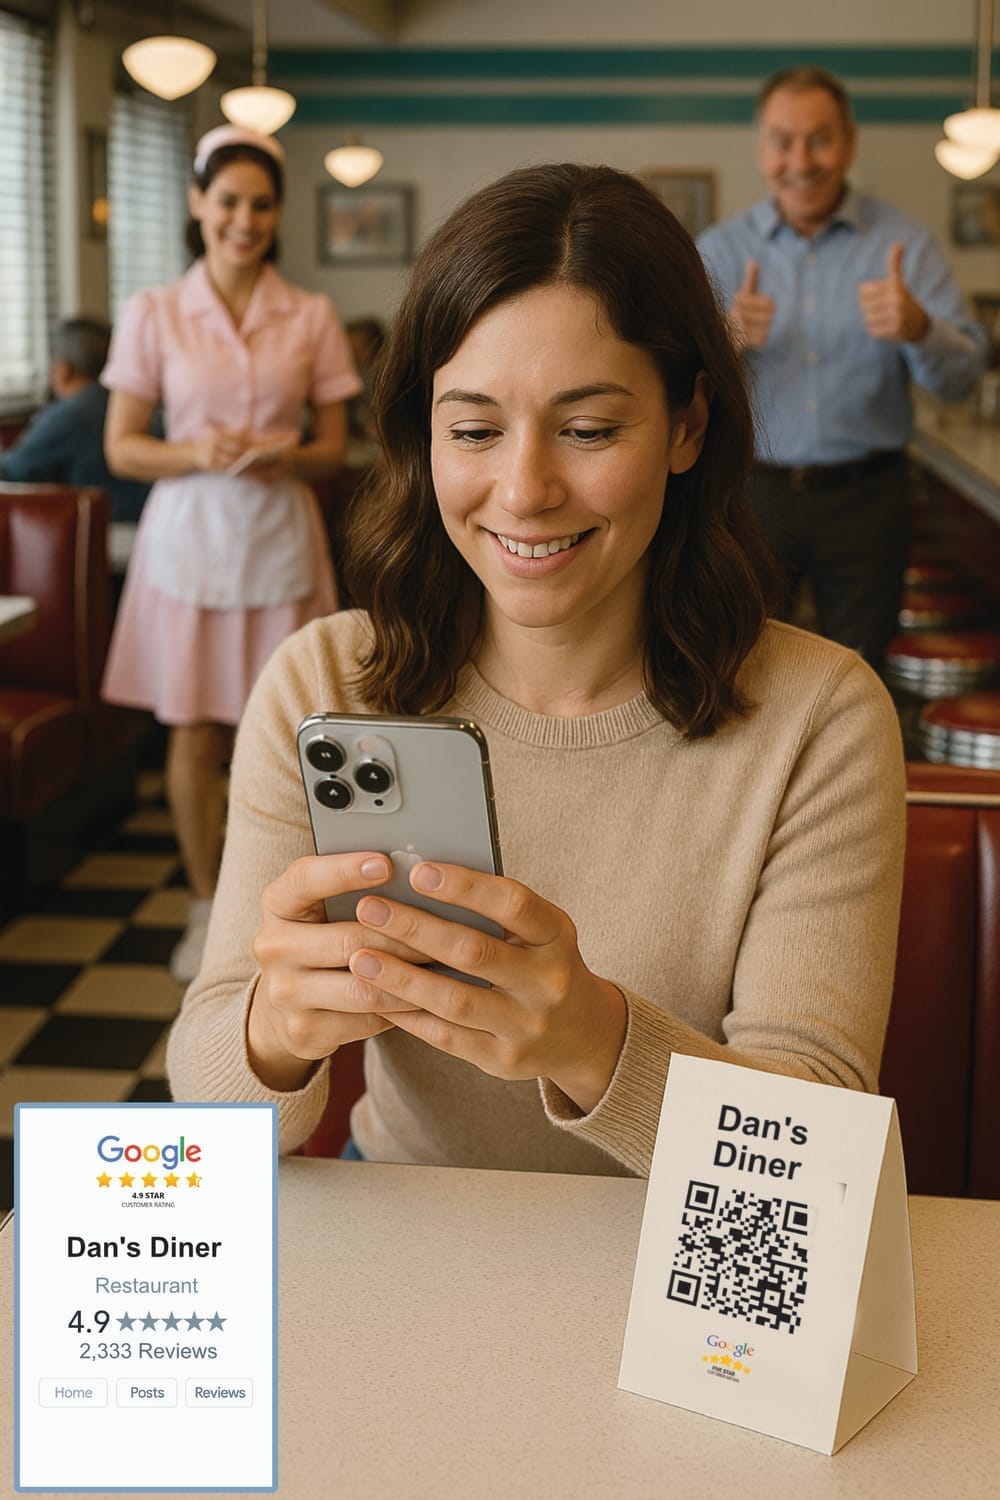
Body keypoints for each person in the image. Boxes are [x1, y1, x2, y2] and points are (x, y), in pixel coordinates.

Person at [167, 163, 906, 1177]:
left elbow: (816, 1141)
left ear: (687, 425)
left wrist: (591, 1041)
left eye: (588, 430)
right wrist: (273, 1030)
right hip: (414, 1255)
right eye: (473, 430)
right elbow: (208, 1105)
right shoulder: (325, 683)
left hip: (679, 1290)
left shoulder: (817, 718)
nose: (523, 490)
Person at [101, 124, 361, 983]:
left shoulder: (311, 314)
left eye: (260, 204)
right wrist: (194, 453)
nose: (244, 220)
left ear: (276, 212)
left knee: (287, 726)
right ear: (197, 205)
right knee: (195, 726)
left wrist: (288, 456)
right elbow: (123, 446)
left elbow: (335, 446)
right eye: (228, 202)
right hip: (188, 544)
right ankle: (208, 902)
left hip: (279, 536)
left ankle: (284, 902)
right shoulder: (156, 311)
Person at [697, 66, 986, 672]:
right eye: (783, 141)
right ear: (762, 148)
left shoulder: (904, 244)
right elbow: (669, 388)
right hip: (752, 494)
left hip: (869, 499)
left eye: (820, 139)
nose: (801, 160)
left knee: (862, 676)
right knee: (744, 668)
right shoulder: (719, 252)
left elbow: (962, 382)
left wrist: (920, 330)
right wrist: (719, 343)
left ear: (849, 143)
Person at [0, 318, 150, 525]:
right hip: (152, 524)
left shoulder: (67, 416)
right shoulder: (136, 405)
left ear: (62, 369)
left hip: (110, 534)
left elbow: (13, 473)